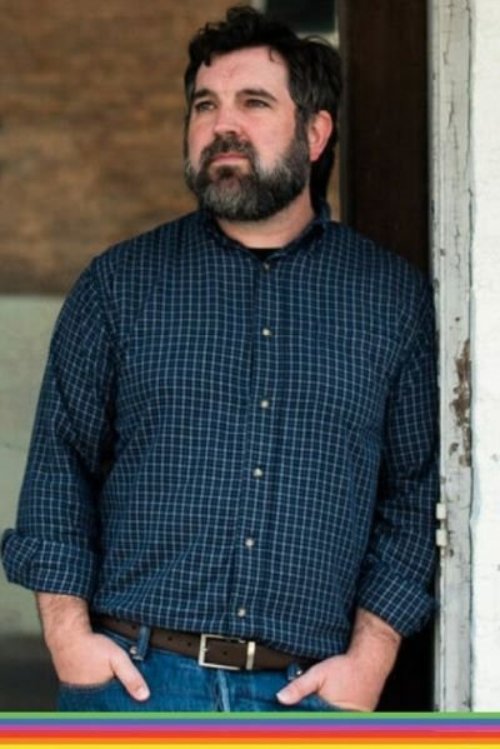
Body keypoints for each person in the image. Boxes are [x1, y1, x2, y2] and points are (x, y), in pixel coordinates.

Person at [1, 6, 438, 712]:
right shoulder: (119, 285)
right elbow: (60, 467)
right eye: (205, 104)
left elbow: (413, 495)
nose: (220, 124)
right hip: (134, 685)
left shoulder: (391, 300)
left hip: (310, 693)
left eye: (253, 102)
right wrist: (68, 638)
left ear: (316, 130)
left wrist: (371, 657)